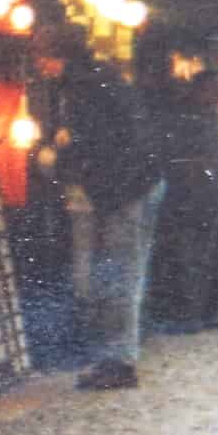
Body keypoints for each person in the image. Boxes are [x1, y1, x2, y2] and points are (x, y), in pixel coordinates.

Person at [39, 20, 166, 390]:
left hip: (126, 190)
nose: (40, 65)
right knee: (115, 274)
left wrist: (57, 154)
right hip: (126, 186)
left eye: (44, 56)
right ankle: (114, 356)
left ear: (58, 55)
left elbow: (96, 143)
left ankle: (119, 361)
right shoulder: (91, 81)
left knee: (121, 274)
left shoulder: (84, 87)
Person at [148, 71, 218, 334]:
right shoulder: (185, 121)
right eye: (210, 89)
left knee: (217, 256)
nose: (215, 95)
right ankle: (190, 315)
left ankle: (209, 311)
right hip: (191, 198)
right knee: (191, 257)